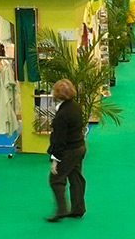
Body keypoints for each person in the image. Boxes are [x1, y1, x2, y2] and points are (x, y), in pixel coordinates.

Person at [47, 79, 86, 222]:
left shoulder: (62, 115)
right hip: (80, 147)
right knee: (75, 177)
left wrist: (54, 161)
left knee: (56, 179)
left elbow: (59, 141)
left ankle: (61, 210)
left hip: (69, 150)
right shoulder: (76, 107)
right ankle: (78, 208)